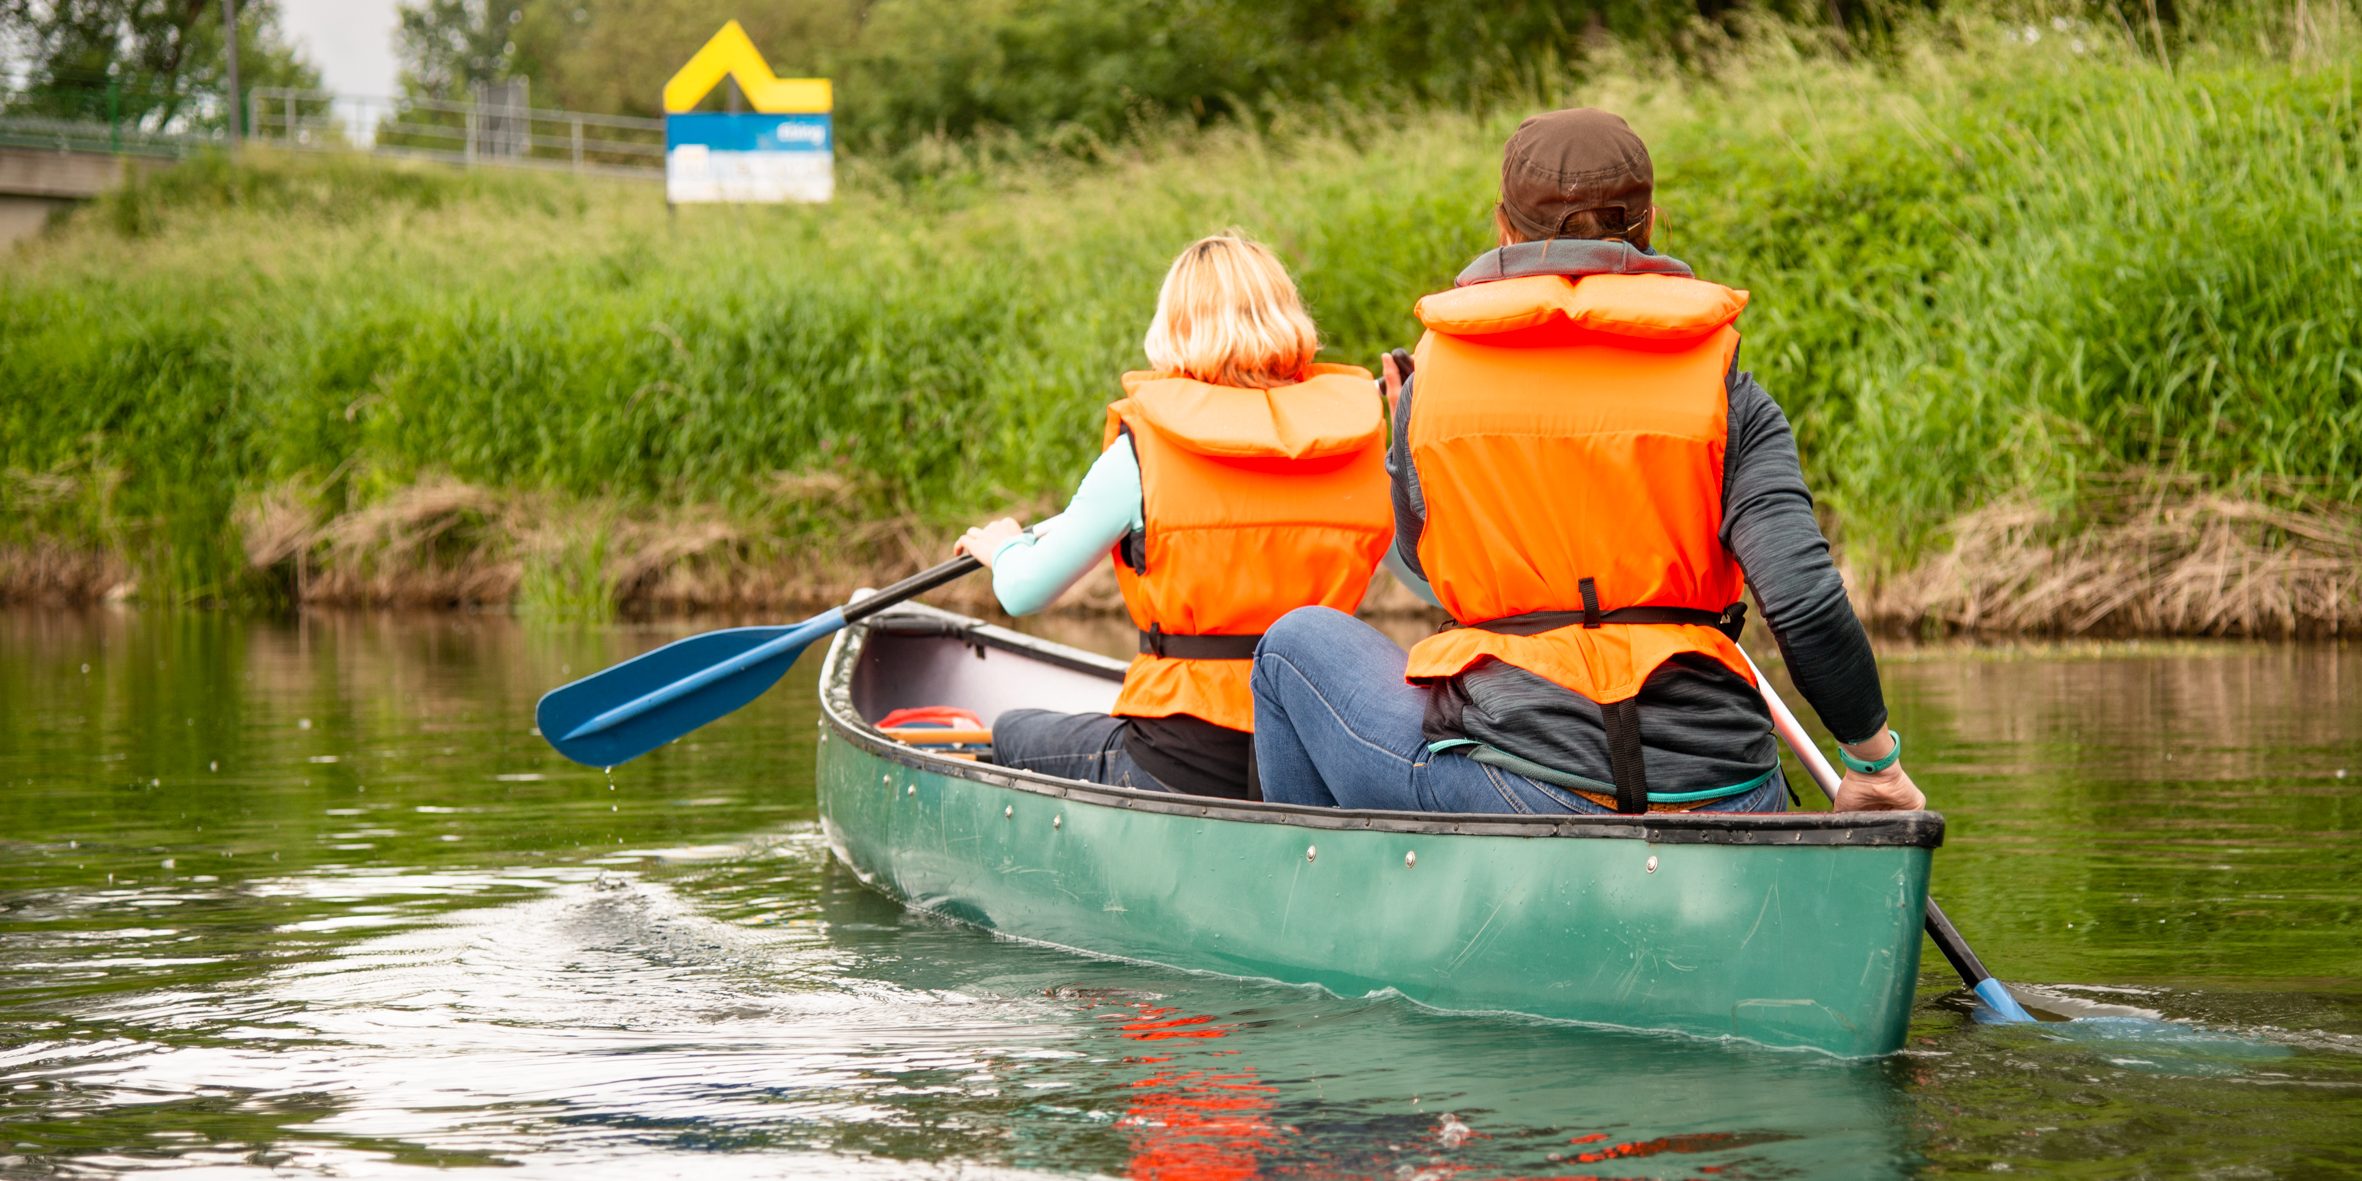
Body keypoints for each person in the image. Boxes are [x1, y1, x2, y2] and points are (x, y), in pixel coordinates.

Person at [1249, 108, 1926, 816]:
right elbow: (1804, 602)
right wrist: (1873, 766)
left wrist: (1408, 444)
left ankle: (1334, 879)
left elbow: (1426, 563)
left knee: (1293, 643)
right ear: (1650, 222)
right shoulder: (1727, 391)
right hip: (1725, 793)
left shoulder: (1430, 390)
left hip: (1517, 786)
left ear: (1504, 228)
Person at [952, 234, 1393, 799]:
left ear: (1175, 327)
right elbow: (1425, 578)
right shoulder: (1359, 442)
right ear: (1289, 318)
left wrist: (1005, 548)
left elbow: (1023, 592)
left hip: (1181, 759)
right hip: (1313, 756)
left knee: (1011, 731)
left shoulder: (1140, 454)